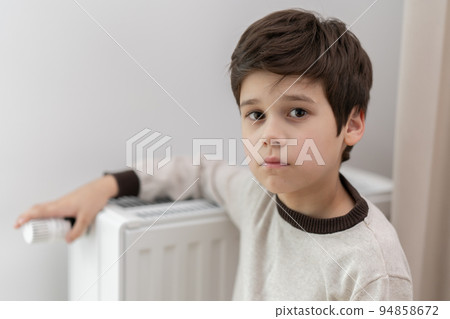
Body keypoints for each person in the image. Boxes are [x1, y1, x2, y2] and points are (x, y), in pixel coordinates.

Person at [14, 9, 413, 300]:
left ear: (352, 124)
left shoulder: (374, 271)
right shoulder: (258, 198)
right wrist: (106, 186)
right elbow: (201, 171)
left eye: (297, 112)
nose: (269, 135)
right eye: (255, 115)